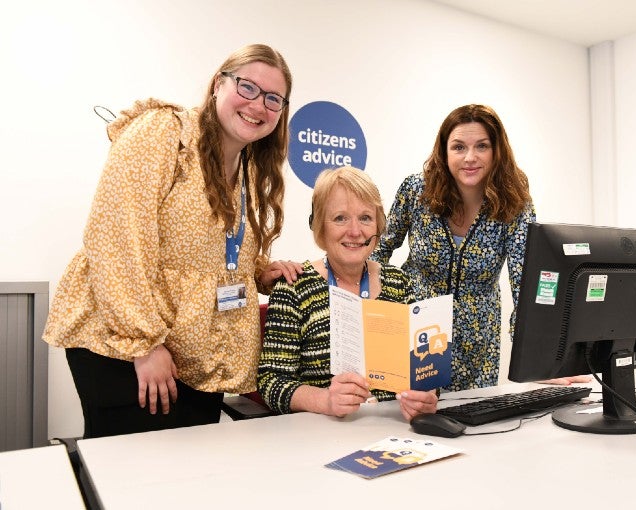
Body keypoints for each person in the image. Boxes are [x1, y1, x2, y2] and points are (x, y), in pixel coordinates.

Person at [43, 43, 302, 438]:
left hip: (197, 355)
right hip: (127, 347)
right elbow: (116, 242)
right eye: (247, 87)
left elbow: (216, 254)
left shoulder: (249, 167)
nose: (258, 105)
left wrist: (258, 272)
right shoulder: (165, 133)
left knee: (187, 481)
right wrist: (143, 345)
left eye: (273, 98)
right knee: (134, 483)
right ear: (219, 84)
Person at [372, 104, 589, 391]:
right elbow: (378, 249)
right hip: (416, 334)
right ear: (444, 152)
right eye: (459, 147)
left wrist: (536, 361)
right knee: (406, 423)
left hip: (477, 345)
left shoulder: (515, 201)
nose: (470, 158)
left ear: (496, 151)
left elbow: (524, 282)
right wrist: (373, 312)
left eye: (482, 146)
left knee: (473, 427)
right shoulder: (416, 190)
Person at [257, 166, 438, 421]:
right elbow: (271, 382)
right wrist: (325, 400)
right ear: (320, 225)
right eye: (340, 218)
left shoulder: (399, 283)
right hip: (322, 434)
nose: (355, 231)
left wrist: (426, 396)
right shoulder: (294, 286)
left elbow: (423, 373)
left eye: (365, 217)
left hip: (393, 431)